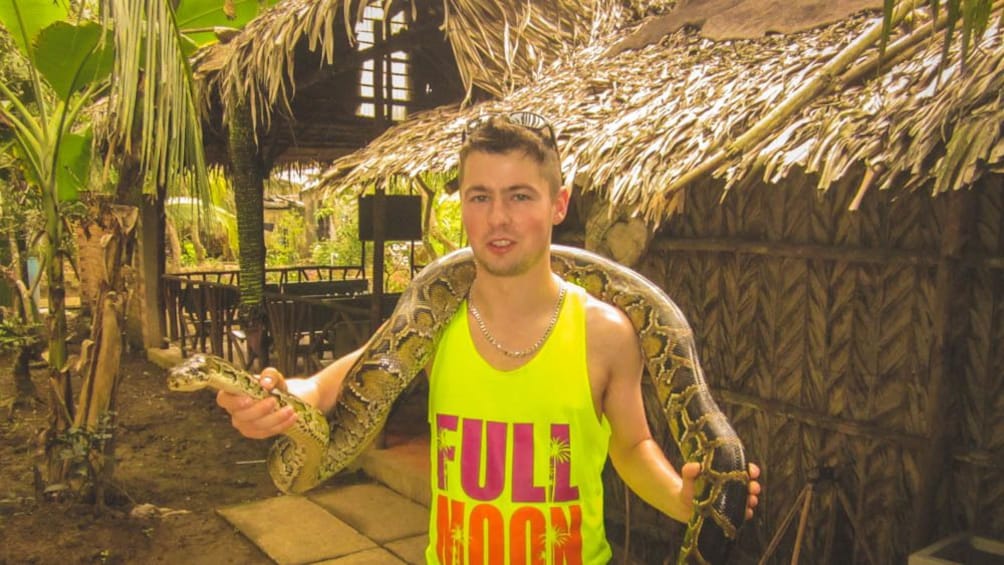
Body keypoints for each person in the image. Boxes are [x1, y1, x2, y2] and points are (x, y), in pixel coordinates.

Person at [217, 112, 761, 564]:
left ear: (559, 204)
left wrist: (682, 498)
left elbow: (631, 445)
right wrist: (285, 398)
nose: (498, 218)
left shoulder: (606, 332)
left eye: (521, 196)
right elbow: (338, 381)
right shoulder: (434, 320)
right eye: (480, 197)